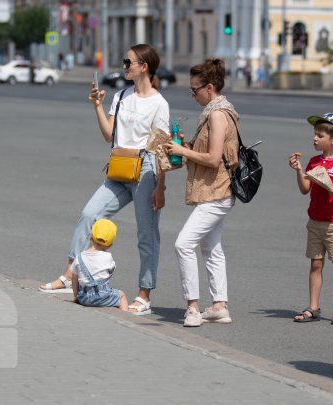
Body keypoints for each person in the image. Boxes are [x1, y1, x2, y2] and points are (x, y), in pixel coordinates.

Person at [39, 44, 169, 316]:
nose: (124, 66)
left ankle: (144, 295)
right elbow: (109, 135)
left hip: (145, 169)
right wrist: (97, 105)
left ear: (143, 67)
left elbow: (161, 149)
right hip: (119, 166)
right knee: (89, 214)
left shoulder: (159, 104)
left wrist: (160, 186)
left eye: (128, 62)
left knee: (147, 235)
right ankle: (68, 276)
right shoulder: (121, 96)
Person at [164, 58, 239, 327]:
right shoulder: (213, 111)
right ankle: (219, 306)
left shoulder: (218, 114)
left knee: (183, 244)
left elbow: (213, 158)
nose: (192, 95)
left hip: (217, 191)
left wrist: (183, 151)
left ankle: (193, 308)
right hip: (215, 191)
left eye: (194, 90)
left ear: (209, 87)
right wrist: (187, 145)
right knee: (211, 247)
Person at [288, 113, 333, 325]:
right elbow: (304, 190)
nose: (315, 139)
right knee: (315, 265)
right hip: (315, 222)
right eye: (314, 134)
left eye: (319, 135)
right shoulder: (313, 161)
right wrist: (299, 171)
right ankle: (313, 307)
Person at [71, 219, 131, 311]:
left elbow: (74, 279)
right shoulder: (108, 257)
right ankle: (125, 316)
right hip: (102, 296)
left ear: (90, 237)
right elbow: (111, 271)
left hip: (84, 298)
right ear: (110, 245)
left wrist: (76, 297)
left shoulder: (79, 257)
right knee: (121, 296)